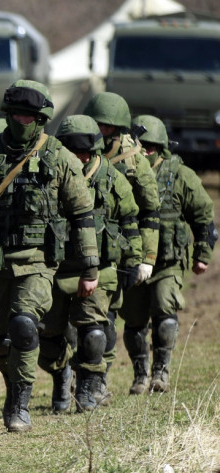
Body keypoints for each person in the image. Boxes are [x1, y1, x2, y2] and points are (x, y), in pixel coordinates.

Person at [0, 80, 99, 432]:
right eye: (15, 114)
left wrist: (90, 267)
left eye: (28, 116)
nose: (21, 121)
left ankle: (20, 404)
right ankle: (13, 386)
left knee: (25, 325)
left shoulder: (58, 156)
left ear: (42, 118)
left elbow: (82, 216)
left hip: (39, 262)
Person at [38, 115, 142, 412]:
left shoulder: (111, 178)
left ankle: (88, 387)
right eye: (72, 151)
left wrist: (135, 259)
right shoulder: (47, 175)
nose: (79, 158)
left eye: (84, 152)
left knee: (93, 334)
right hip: (55, 269)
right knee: (48, 336)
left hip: (99, 271)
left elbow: (130, 219)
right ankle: (61, 377)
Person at [121, 115, 216, 394]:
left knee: (165, 309)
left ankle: (160, 372)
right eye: (141, 145)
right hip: (131, 261)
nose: (145, 151)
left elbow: (203, 216)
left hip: (168, 263)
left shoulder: (180, 175)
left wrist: (203, 253)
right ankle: (140, 375)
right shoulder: (122, 170)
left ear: (162, 147)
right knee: (134, 320)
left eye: (151, 147)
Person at [83, 92, 160, 402]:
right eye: (96, 125)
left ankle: (99, 379)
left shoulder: (134, 162)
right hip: (82, 249)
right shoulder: (77, 151)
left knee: (108, 319)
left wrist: (145, 258)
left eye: (106, 127)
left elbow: (150, 213)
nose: (100, 132)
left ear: (117, 129)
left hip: (118, 249)